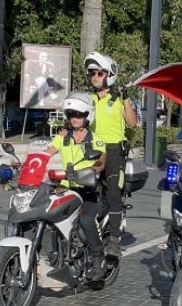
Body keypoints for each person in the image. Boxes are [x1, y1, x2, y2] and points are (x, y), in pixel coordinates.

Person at [45, 92, 107, 280]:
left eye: (79, 115)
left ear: (88, 116)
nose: (75, 119)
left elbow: (100, 163)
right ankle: (56, 252)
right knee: (46, 213)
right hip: (66, 190)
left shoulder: (96, 140)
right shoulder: (63, 137)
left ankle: (98, 258)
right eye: (71, 115)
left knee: (87, 219)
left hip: (88, 190)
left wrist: (88, 173)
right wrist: (32, 162)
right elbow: (46, 153)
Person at [83, 51, 137, 258]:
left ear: (110, 74)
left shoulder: (118, 97)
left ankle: (114, 240)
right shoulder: (88, 99)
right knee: (86, 192)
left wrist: (126, 99)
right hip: (93, 151)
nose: (95, 77)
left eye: (99, 72)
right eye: (92, 73)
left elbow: (132, 123)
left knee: (114, 194)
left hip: (115, 151)